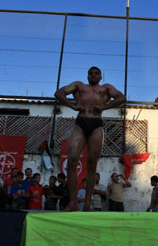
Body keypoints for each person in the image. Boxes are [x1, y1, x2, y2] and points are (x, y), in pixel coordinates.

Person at [55, 66, 126, 211]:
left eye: (96, 73)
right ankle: (73, 202)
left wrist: (104, 107)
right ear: (87, 76)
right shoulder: (79, 85)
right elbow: (59, 93)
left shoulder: (106, 88)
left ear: (100, 77)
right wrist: (72, 106)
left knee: (92, 163)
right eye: (90, 73)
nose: (93, 75)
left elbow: (122, 98)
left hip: (96, 124)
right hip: (81, 122)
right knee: (72, 159)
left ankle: (88, 203)